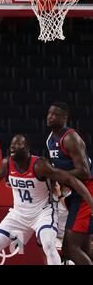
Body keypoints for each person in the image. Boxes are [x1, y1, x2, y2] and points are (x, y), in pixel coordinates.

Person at [0, 134, 93, 265]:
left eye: (18, 144)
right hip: (19, 216)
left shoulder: (40, 166)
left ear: (27, 149)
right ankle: (20, 244)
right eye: (12, 144)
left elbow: (70, 179)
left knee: (48, 246)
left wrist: (90, 202)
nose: (13, 147)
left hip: (43, 214)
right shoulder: (7, 164)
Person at [46, 102, 93, 265]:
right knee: (84, 249)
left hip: (87, 192)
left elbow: (85, 172)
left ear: (64, 118)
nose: (49, 117)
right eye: (49, 113)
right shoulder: (50, 139)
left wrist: (57, 175)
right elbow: (58, 171)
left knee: (71, 249)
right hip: (75, 194)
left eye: (54, 114)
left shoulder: (70, 138)